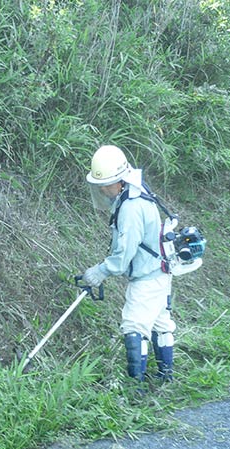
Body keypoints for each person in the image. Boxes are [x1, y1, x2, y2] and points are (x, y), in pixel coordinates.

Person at [82, 145, 175, 384]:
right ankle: (165, 378)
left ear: (121, 178)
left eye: (107, 183)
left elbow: (123, 255)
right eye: (100, 184)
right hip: (160, 271)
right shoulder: (135, 190)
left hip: (147, 277)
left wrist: (100, 272)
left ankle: (136, 387)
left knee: (134, 325)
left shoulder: (131, 208)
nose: (103, 188)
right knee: (160, 323)